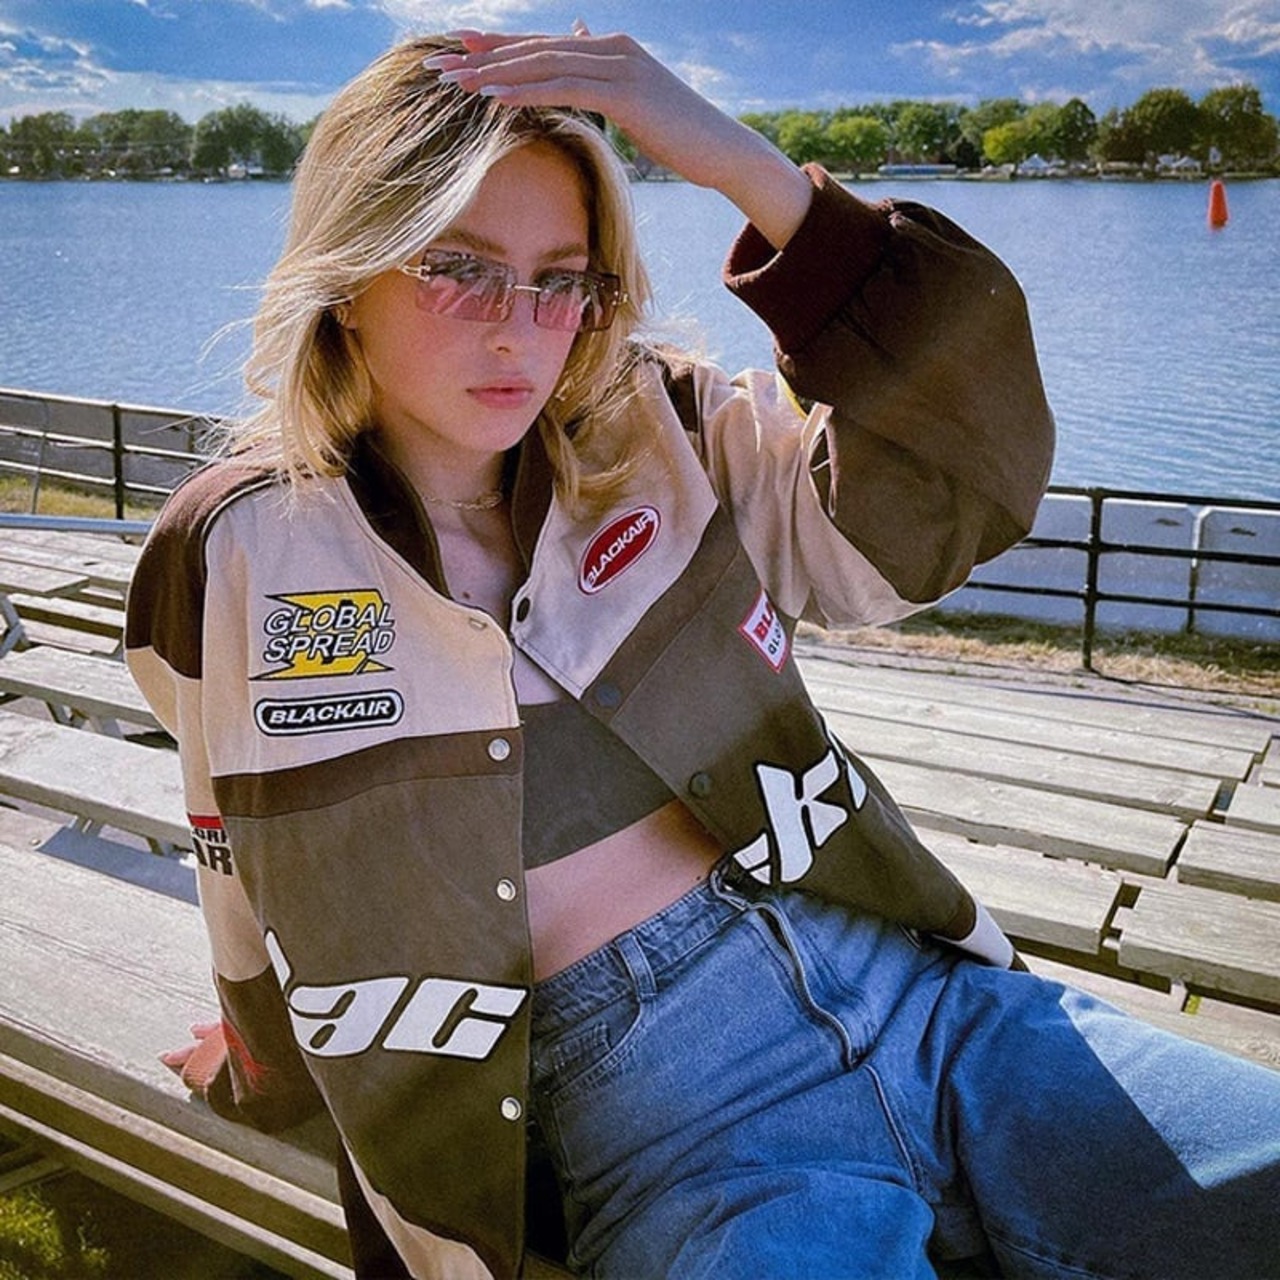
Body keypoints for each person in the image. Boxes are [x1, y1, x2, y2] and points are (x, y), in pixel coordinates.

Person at [124, 26, 1280, 1280]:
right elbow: (242, 841)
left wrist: (740, 166)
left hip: (927, 997)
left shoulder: (660, 429)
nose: (520, 329)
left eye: (561, 279)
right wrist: (265, 1058)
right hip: (672, 1127)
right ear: (349, 272)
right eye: (458, 270)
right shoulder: (237, 552)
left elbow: (959, 479)